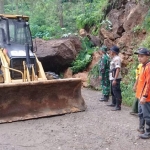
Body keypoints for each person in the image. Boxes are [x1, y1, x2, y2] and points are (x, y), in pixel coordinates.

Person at [134, 48, 150, 139]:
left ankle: (148, 132)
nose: (139, 58)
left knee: (147, 114)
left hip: (146, 97)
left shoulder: (148, 67)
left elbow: (148, 83)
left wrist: (144, 96)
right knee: (141, 113)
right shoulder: (143, 66)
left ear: (148, 57)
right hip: (140, 95)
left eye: (142, 56)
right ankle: (141, 128)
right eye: (138, 56)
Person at [107, 45, 122, 111]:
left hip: (115, 78)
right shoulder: (113, 58)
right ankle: (114, 103)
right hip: (112, 77)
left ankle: (118, 106)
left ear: (113, 52)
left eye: (111, 50)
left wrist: (115, 79)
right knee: (113, 91)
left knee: (116, 92)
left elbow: (118, 69)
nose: (110, 52)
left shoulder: (117, 59)